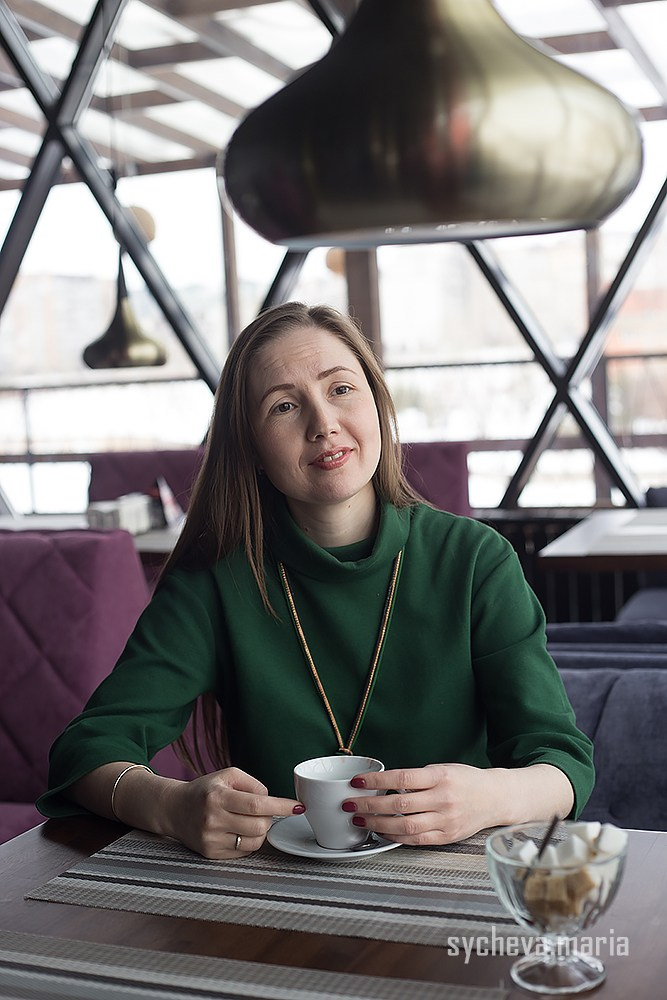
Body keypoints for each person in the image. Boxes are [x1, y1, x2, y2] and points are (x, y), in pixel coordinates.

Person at [37, 302, 594, 859]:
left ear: (377, 404)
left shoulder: (476, 560)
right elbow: (83, 753)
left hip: (456, 880)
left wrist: (488, 798)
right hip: (274, 892)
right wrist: (170, 805)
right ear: (251, 446)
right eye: (284, 406)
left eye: (342, 390)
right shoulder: (213, 582)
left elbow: (563, 762)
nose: (322, 423)